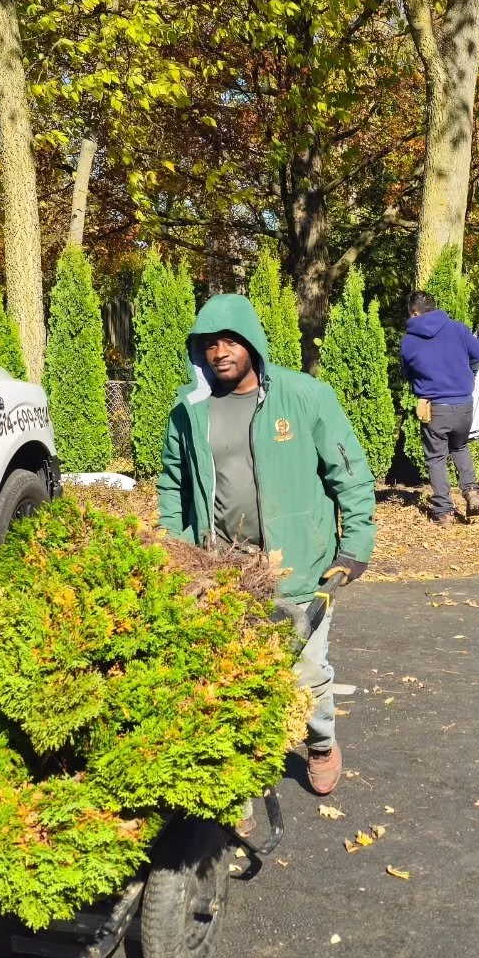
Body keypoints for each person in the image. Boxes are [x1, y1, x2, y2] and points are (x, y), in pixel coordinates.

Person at [157, 294, 375, 796]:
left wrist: (354, 544)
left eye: (230, 340)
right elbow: (171, 482)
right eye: (209, 344)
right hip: (220, 567)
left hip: (296, 561)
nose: (220, 352)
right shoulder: (188, 411)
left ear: (252, 344)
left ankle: (320, 743)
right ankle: (237, 775)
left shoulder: (304, 396)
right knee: (227, 671)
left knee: (304, 668)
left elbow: (351, 475)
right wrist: (174, 545)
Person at [399, 291, 479, 526]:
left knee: (437, 459)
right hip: (464, 405)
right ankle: (471, 493)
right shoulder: (458, 328)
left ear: (415, 312)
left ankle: (444, 513)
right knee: (460, 447)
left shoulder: (409, 340)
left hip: (434, 408)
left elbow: (407, 373)